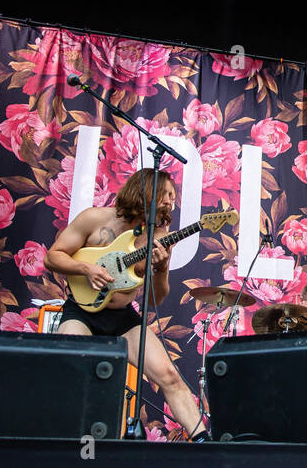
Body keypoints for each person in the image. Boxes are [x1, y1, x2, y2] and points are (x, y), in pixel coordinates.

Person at [44, 168, 207, 441]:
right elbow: (53, 256)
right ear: (144, 191)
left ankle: (204, 442)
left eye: (172, 196)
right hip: (82, 312)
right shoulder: (95, 219)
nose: (170, 201)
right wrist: (85, 269)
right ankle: (68, 443)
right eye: (164, 194)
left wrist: (162, 267)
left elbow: (159, 297)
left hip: (122, 317)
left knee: (169, 375)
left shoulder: (158, 237)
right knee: (71, 367)